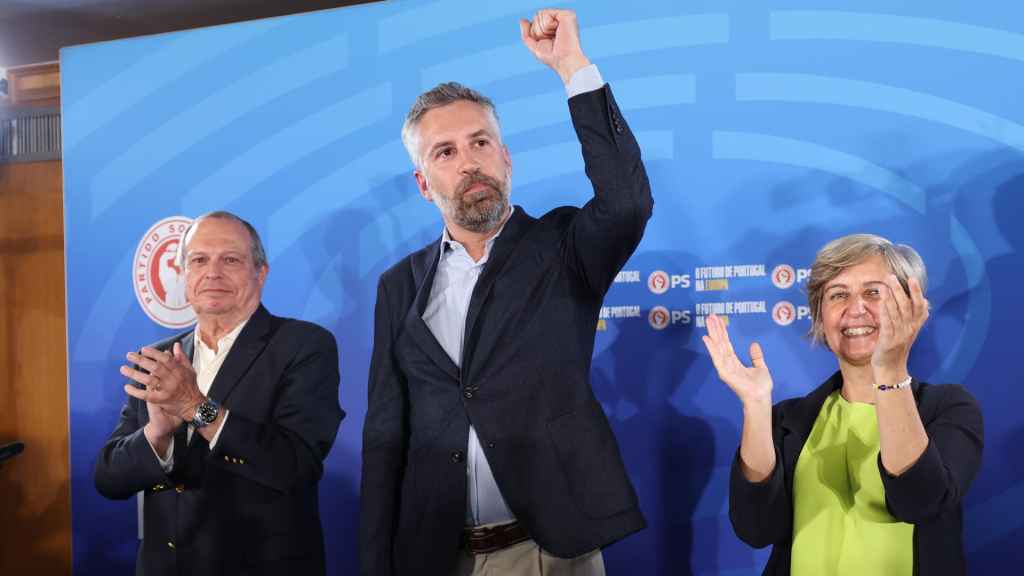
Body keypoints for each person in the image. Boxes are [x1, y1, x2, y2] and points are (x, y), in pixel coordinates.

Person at [359, 8, 651, 575]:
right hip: (437, 556)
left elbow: (628, 202)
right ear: (424, 184)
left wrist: (572, 66)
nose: (469, 163)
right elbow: (384, 433)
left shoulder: (563, 246)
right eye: (445, 152)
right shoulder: (399, 285)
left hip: (551, 551)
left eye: (481, 143)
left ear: (506, 156)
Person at [702, 233, 983, 575]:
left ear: (910, 304)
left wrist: (890, 369)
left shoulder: (950, 408)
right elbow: (757, 529)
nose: (855, 309)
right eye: (838, 295)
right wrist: (756, 406)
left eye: (873, 293)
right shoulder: (790, 419)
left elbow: (919, 501)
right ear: (820, 317)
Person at [94, 211, 344, 576]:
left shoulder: (303, 346)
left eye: (230, 259)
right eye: (199, 260)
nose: (213, 273)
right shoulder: (159, 358)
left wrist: (197, 408)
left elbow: (293, 465)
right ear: (183, 275)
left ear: (261, 273)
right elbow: (109, 479)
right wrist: (156, 435)